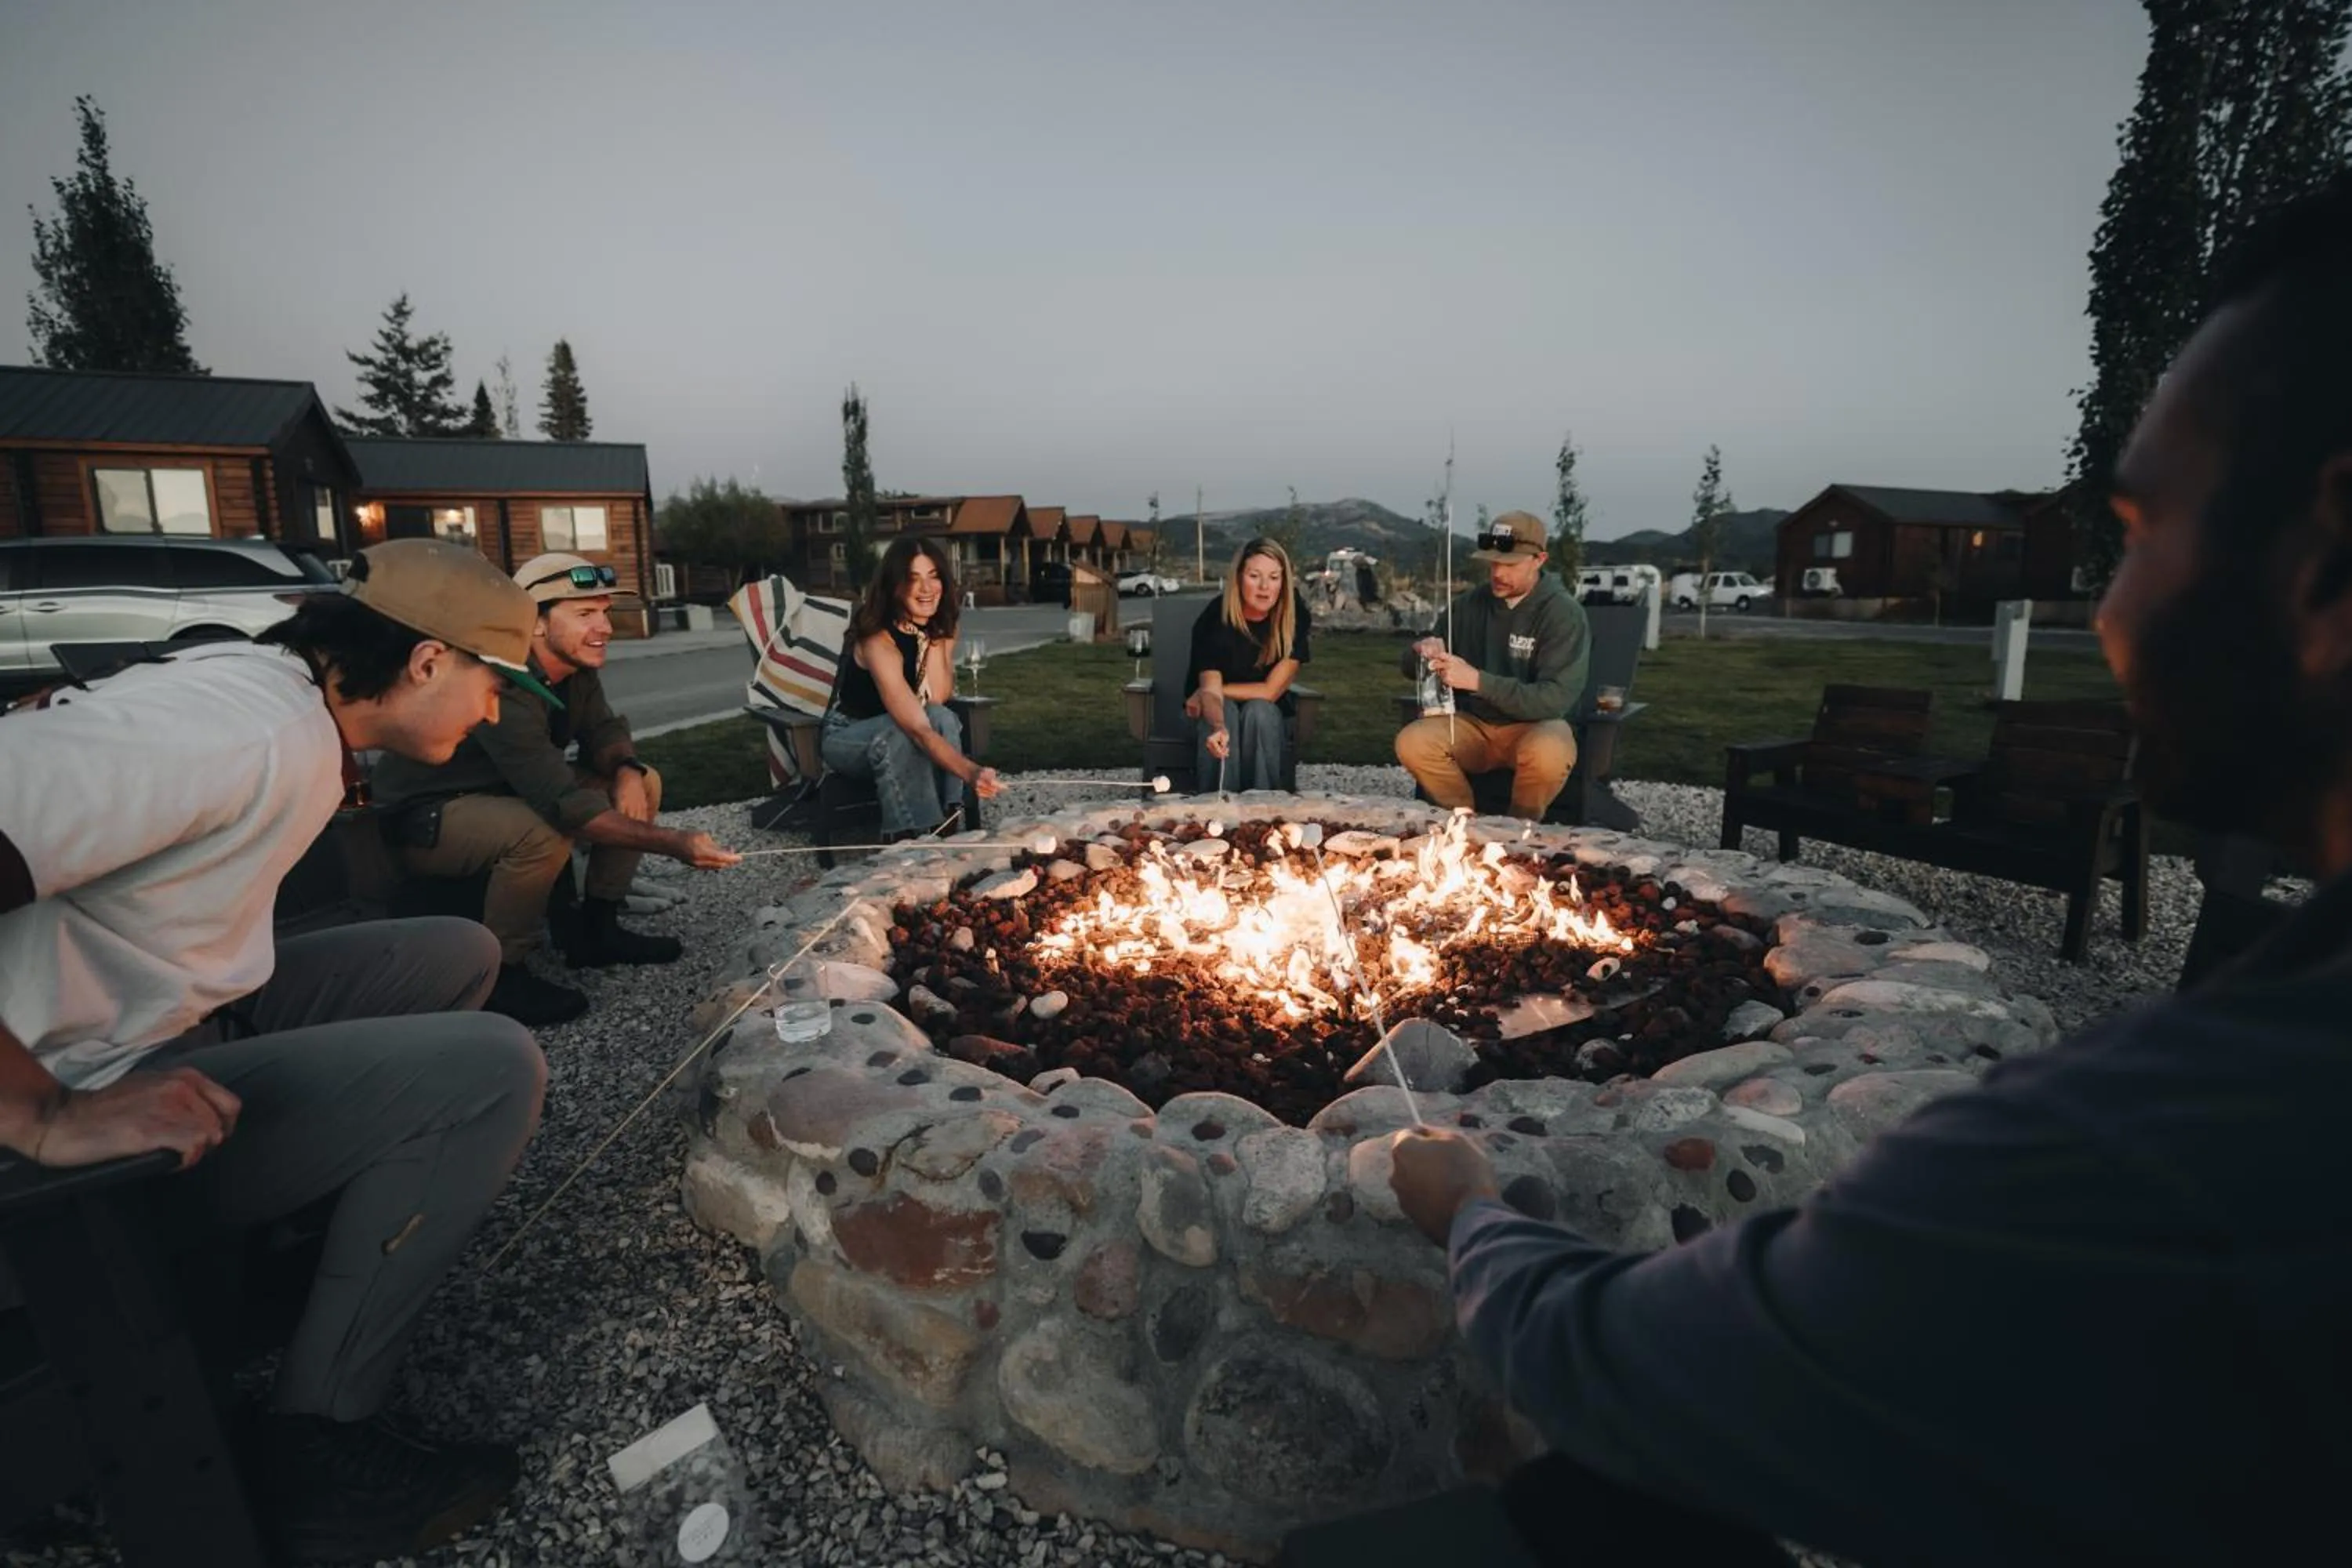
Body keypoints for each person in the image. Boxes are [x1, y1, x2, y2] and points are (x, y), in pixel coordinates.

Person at [1385, 176, 2352, 1568]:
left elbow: (1637, 1369)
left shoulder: (2168, 1155)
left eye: (2138, 538)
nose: (2116, 614)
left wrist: (1472, 1214)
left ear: (2334, 564)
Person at [0, 538, 551, 1563]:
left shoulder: (273, 690)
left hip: (131, 1021)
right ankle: (318, 1436)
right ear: (427, 661)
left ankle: (318, 1247)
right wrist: (41, 1113)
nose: (493, 714)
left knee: (453, 955)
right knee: (492, 1071)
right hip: (48, 1119)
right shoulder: (245, 731)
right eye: (493, 685)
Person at [372, 552, 741, 1028]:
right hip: (428, 816)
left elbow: (605, 729)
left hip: (505, 793)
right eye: (585, 613)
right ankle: (498, 973)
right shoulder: (503, 679)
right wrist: (675, 843)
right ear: (536, 623)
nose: (605, 626)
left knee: (643, 781)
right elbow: (563, 804)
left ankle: (597, 928)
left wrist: (627, 769)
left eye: (605, 612)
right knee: (541, 831)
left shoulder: (576, 670)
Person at [1392, 509, 1592, 819]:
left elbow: (1554, 699)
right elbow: (1409, 667)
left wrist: (1477, 681)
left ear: (1539, 560)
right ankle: (1464, 824)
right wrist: (1421, 652)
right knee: (1413, 741)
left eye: (1510, 564)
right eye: (1494, 562)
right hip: (1473, 727)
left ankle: (1518, 833)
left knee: (1550, 751)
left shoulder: (1562, 614)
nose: (1498, 573)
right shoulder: (1470, 605)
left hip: (1533, 726)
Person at [822, 536, 1001, 838]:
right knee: (901, 734)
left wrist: (934, 638)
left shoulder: (938, 627)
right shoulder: (878, 639)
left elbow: (938, 698)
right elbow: (918, 728)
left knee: (942, 716)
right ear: (894, 586)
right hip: (848, 735)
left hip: (901, 728)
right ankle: (911, 838)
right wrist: (970, 771)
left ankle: (948, 819)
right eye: (913, 579)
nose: (927, 589)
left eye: (934, 577)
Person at [1185, 537, 1311, 793]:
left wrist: (1214, 690)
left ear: (1283, 582)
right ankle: (1217, 811)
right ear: (1239, 577)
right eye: (1255, 576)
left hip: (1266, 711)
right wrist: (1218, 725)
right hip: (1214, 709)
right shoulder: (1215, 619)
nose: (1265, 587)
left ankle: (1262, 812)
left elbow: (1270, 691)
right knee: (1226, 715)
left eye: (1274, 577)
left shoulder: (1293, 615)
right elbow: (1211, 693)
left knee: (1259, 711)